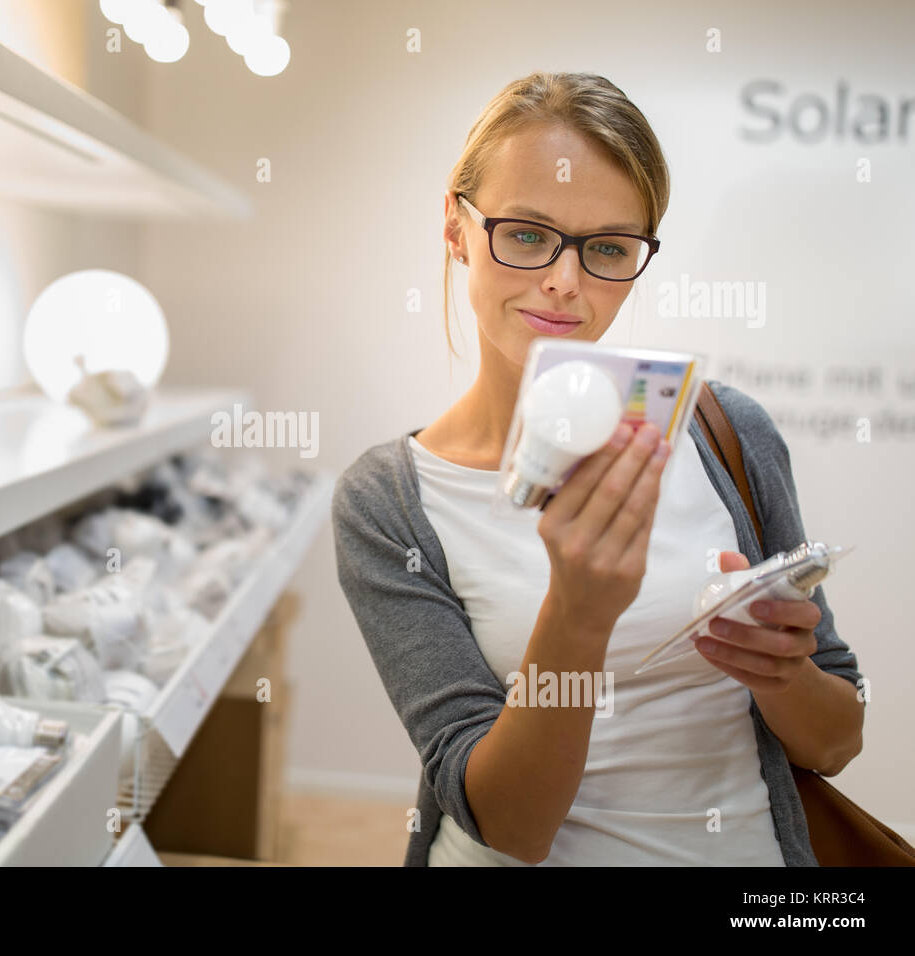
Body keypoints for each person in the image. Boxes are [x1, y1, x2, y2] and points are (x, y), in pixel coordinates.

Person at [332, 71, 865, 866]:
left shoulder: (724, 432)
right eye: (525, 233)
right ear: (457, 227)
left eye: (609, 248)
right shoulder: (389, 500)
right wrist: (578, 614)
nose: (564, 282)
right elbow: (509, 825)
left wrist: (781, 673)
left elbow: (838, 739)